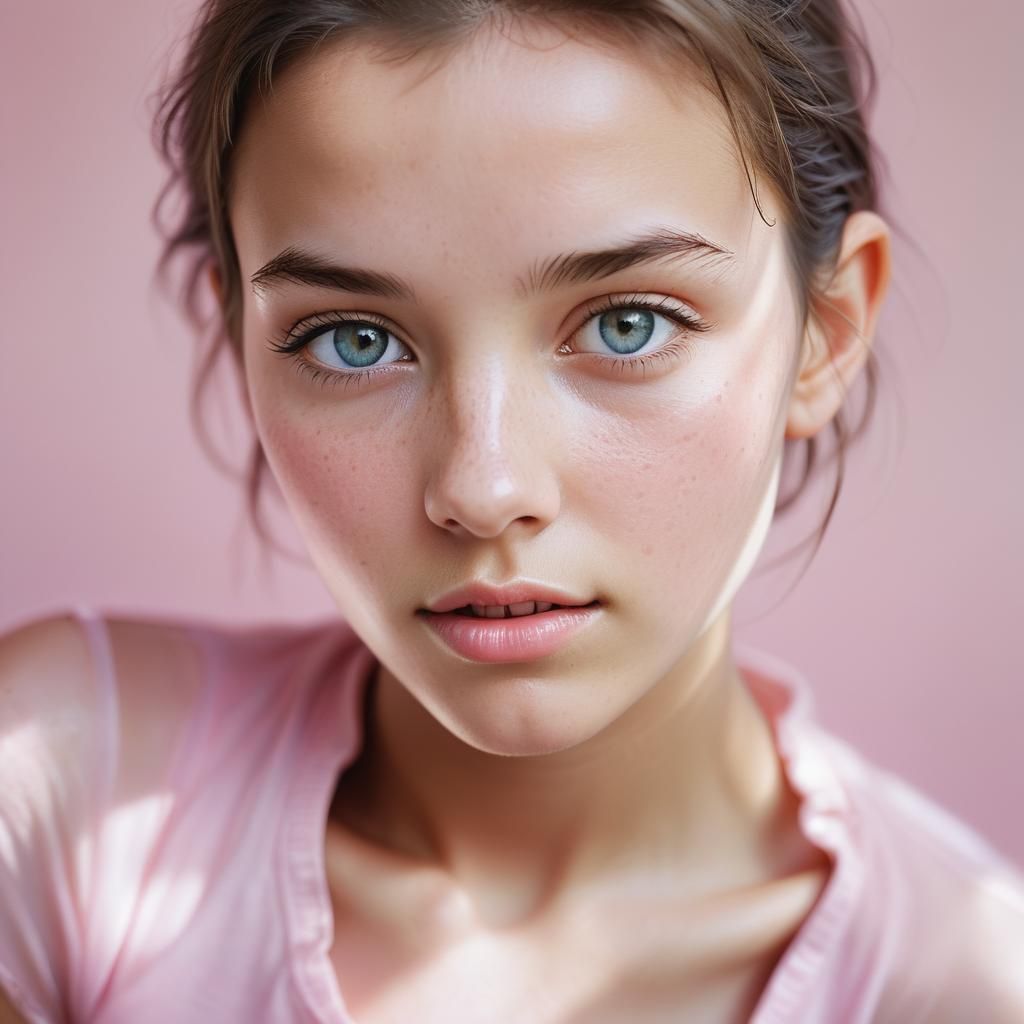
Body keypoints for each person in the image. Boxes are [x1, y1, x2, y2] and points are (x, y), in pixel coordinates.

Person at [2, 1, 1023, 1021]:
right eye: (351, 339)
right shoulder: (58, 800)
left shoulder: (958, 984)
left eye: (627, 324)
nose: (483, 489)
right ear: (238, 334)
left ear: (828, 330)